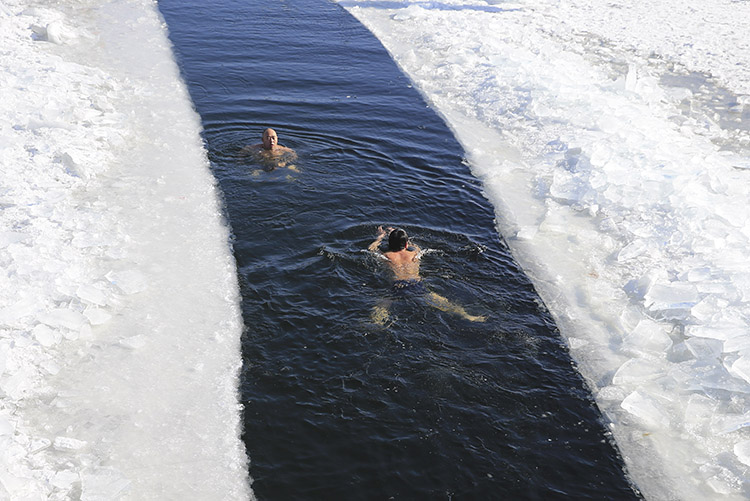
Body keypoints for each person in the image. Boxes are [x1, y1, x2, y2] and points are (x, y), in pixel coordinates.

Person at [368, 226, 486, 324]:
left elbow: (372, 249)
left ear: (390, 244)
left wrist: (380, 237)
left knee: (382, 306)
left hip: (397, 286)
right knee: (443, 302)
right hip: (416, 285)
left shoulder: (388, 256)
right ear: (406, 244)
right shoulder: (414, 253)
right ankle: (467, 316)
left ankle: (377, 323)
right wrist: (399, 235)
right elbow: (415, 246)